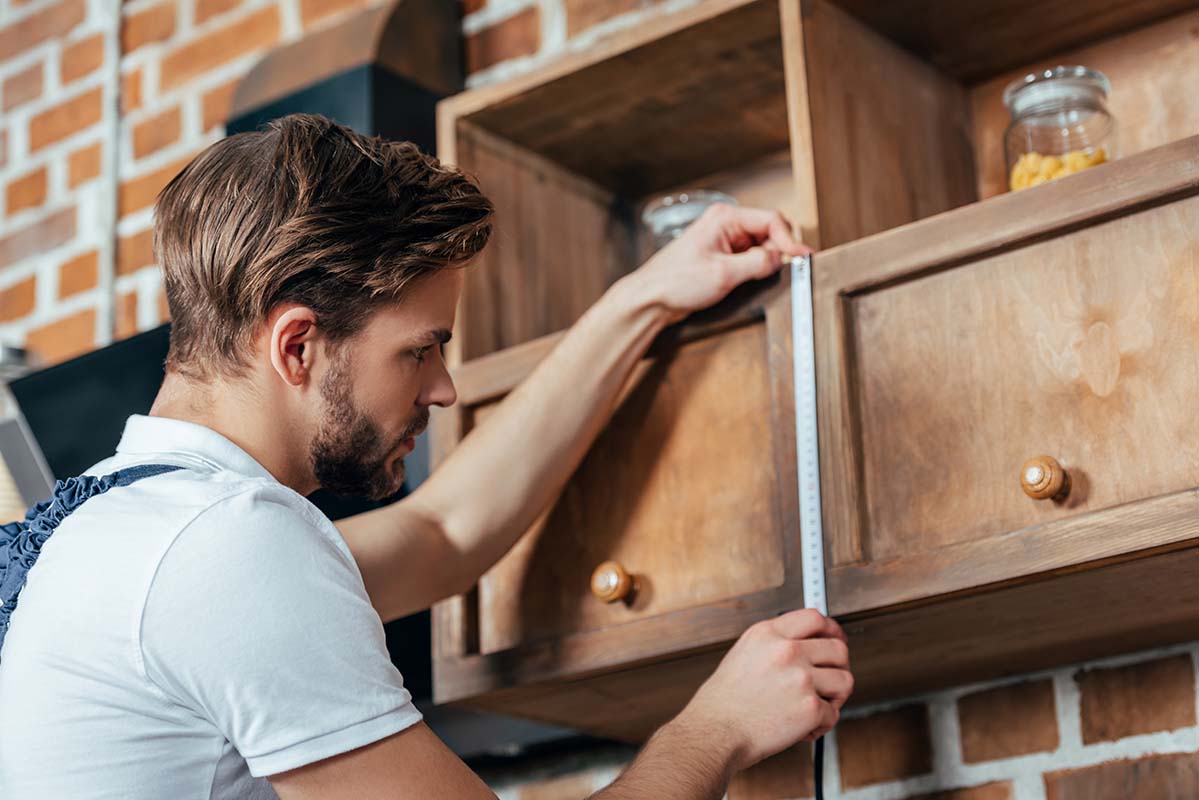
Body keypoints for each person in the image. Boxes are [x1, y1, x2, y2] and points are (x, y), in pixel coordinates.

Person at [0, 113, 852, 799]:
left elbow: (448, 529)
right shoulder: (225, 546)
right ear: (297, 347)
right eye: (420, 350)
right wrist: (719, 725)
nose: (443, 390)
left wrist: (643, 298)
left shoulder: (123, 533)